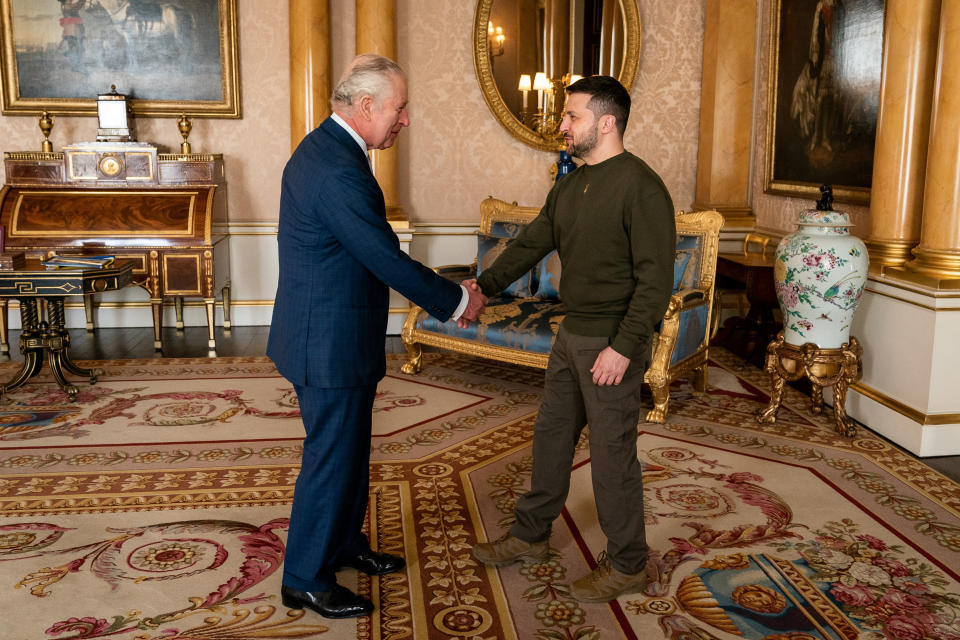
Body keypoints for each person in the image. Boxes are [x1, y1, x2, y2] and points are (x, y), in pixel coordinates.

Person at [267, 54, 487, 619]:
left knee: (351, 453)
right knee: (332, 458)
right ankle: (305, 578)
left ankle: (343, 546)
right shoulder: (336, 167)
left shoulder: (332, 149)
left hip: (335, 333)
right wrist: (456, 300)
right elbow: (382, 257)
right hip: (328, 342)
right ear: (366, 107)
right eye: (400, 107)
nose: (405, 119)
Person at [470, 75, 675, 603]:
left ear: (606, 123)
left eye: (572, 116)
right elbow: (530, 242)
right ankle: (531, 535)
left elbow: (654, 284)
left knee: (611, 458)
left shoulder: (642, 187)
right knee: (551, 439)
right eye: (564, 116)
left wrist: (623, 347)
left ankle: (629, 564)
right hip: (572, 334)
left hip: (611, 341)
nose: (561, 125)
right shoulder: (571, 184)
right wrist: (480, 288)